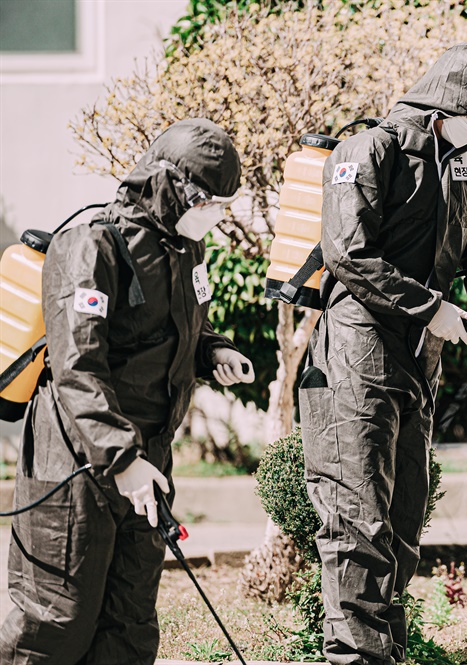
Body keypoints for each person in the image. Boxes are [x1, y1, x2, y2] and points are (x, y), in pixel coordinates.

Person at [0, 118, 255, 664]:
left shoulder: (186, 250)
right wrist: (121, 459)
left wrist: (214, 351)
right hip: (76, 463)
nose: (216, 215)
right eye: (210, 202)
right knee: (56, 620)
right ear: (176, 188)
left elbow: (178, 327)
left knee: (129, 624)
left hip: (148, 461)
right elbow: (78, 366)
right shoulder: (91, 245)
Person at [300, 42, 467, 664]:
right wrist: (433, 309)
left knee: (400, 523)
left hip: (418, 359)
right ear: (449, 103)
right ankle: (356, 659)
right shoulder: (371, 150)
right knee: (356, 521)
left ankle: (384, 654)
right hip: (355, 352)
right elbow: (349, 254)